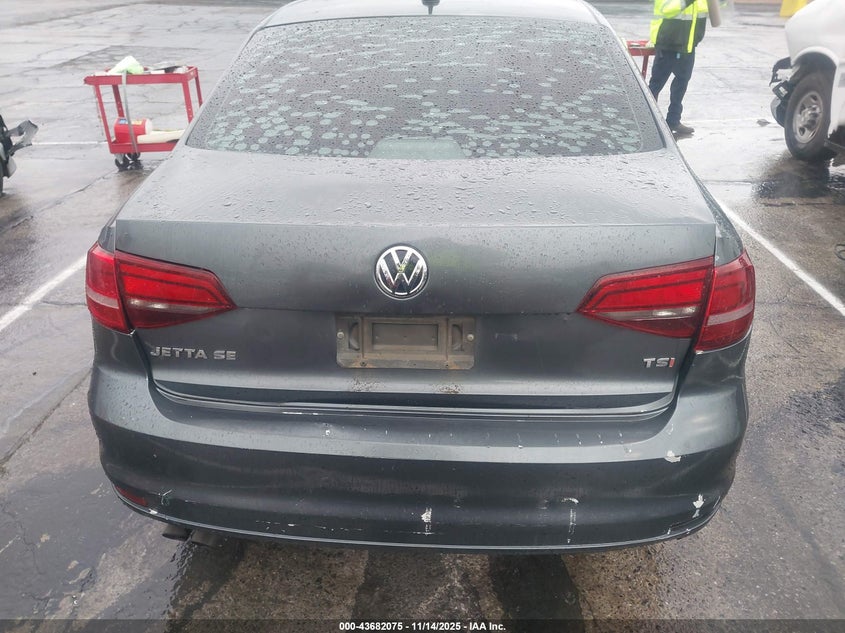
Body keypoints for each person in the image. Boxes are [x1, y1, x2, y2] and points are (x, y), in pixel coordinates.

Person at [648, 0, 709, 136]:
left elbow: (709, 6)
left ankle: (673, 120)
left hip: (688, 46)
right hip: (668, 44)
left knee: (681, 84)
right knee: (656, 85)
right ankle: (646, 120)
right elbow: (666, 9)